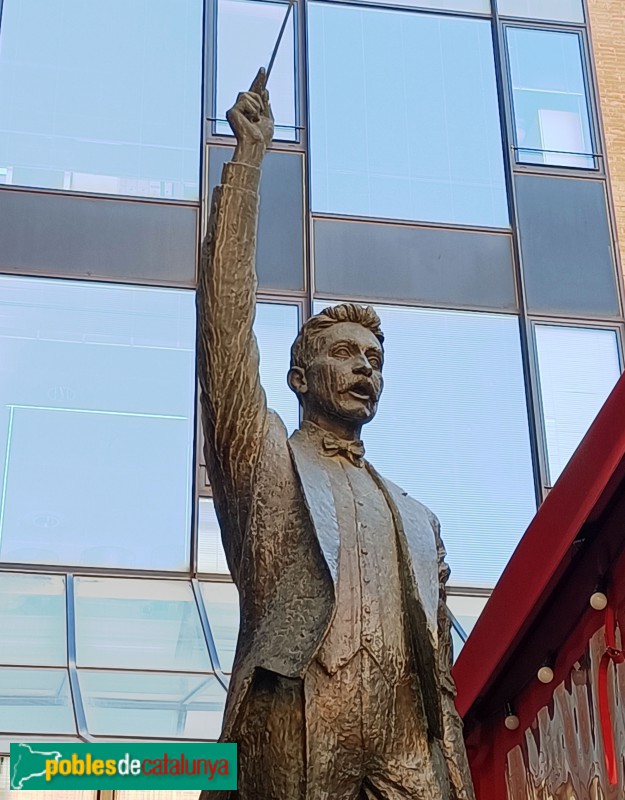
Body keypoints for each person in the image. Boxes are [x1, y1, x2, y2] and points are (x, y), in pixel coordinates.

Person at [197, 68, 475, 800]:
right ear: (298, 378)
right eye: (344, 354)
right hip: (296, 717)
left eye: (374, 360)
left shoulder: (418, 519)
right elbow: (225, 336)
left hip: (406, 740)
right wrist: (248, 165)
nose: (365, 368)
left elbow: (440, 669)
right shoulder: (262, 464)